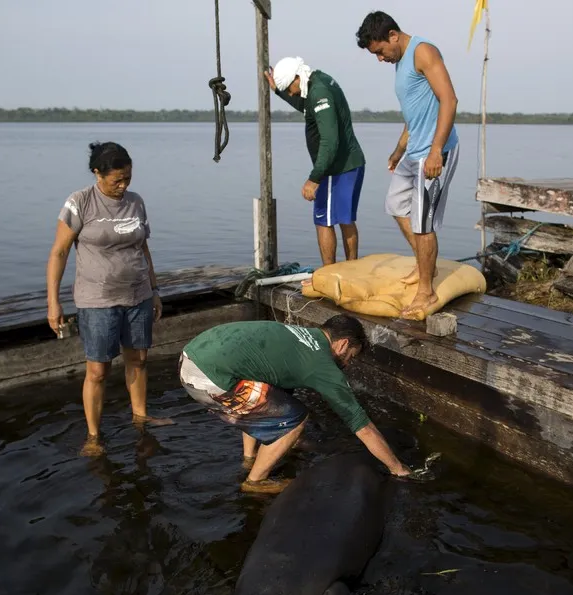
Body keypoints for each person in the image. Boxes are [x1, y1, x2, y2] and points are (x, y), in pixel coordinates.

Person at [178, 314, 412, 494]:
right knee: (295, 418)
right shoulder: (322, 365)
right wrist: (397, 468)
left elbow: (267, 387)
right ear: (342, 344)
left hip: (190, 357)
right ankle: (255, 481)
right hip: (208, 377)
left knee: (268, 402)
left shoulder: (301, 336)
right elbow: (362, 426)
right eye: (351, 356)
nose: (349, 364)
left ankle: (249, 458)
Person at [46, 141, 172, 454]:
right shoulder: (80, 202)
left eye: (127, 177)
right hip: (97, 299)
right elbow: (59, 252)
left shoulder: (135, 202)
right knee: (98, 370)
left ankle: (141, 419)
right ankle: (92, 436)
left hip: (138, 296)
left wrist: (154, 291)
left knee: (138, 361)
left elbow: (143, 248)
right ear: (97, 174)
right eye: (117, 179)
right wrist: (53, 302)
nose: (123, 185)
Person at [356, 11, 459, 319]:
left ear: (393, 36)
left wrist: (436, 151)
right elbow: (415, 113)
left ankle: (426, 291)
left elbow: (449, 100)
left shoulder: (423, 51)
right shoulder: (400, 62)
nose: (379, 59)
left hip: (435, 152)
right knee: (396, 205)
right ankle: (425, 263)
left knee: (422, 222)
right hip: (414, 151)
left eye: (379, 52)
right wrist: (398, 149)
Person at [265, 57, 366, 268]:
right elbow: (304, 105)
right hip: (351, 162)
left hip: (334, 168)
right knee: (345, 219)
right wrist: (278, 91)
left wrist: (314, 178)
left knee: (323, 220)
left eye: (288, 88)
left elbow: (329, 141)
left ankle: (329, 274)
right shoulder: (319, 81)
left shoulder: (319, 93)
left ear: (296, 77)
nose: (290, 93)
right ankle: (353, 272)